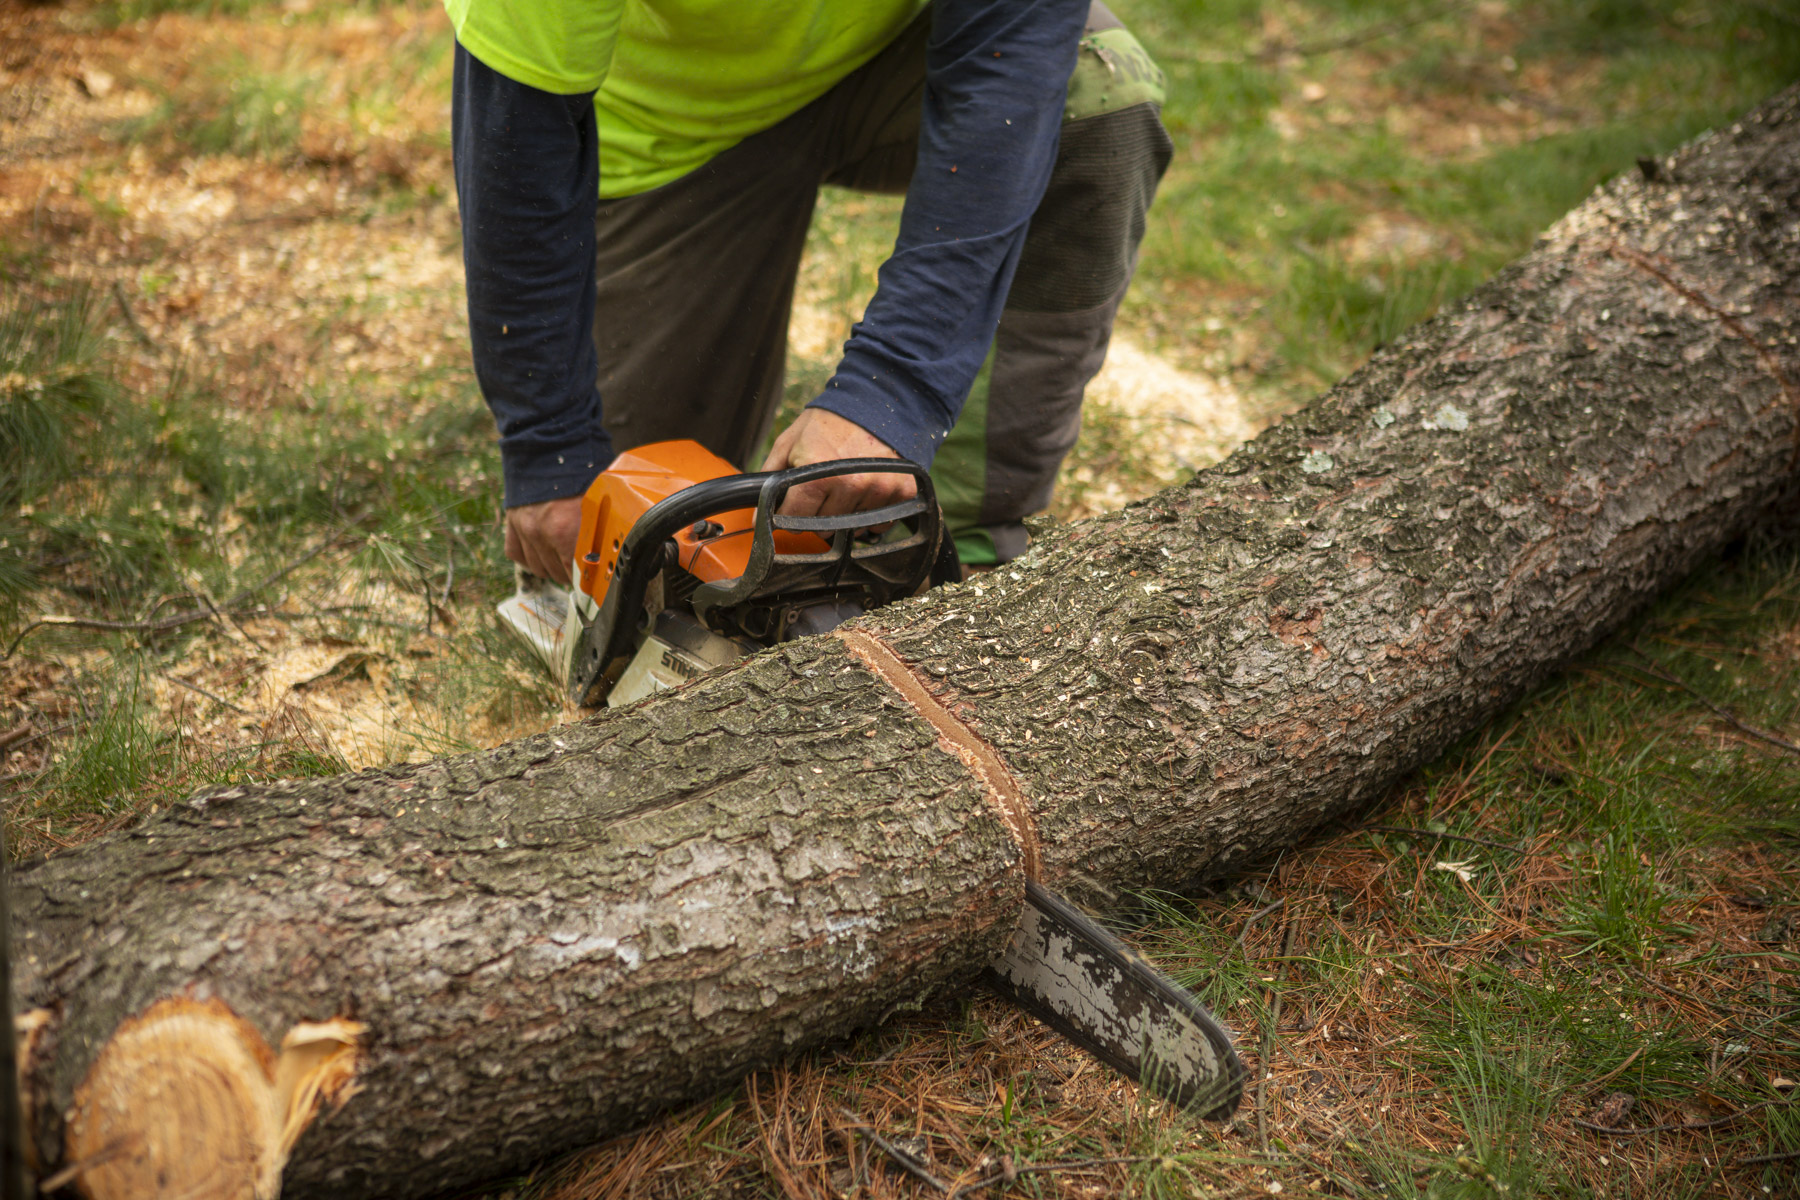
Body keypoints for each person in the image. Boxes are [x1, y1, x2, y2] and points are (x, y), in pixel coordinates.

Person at [449, 0, 1171, 585]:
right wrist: (550, 444)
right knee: (632, 546)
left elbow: (1009, 79)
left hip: (889, 55)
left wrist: (892, 393)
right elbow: (516, 131)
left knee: (1098, 95)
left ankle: (954, 552)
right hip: (660, 129)